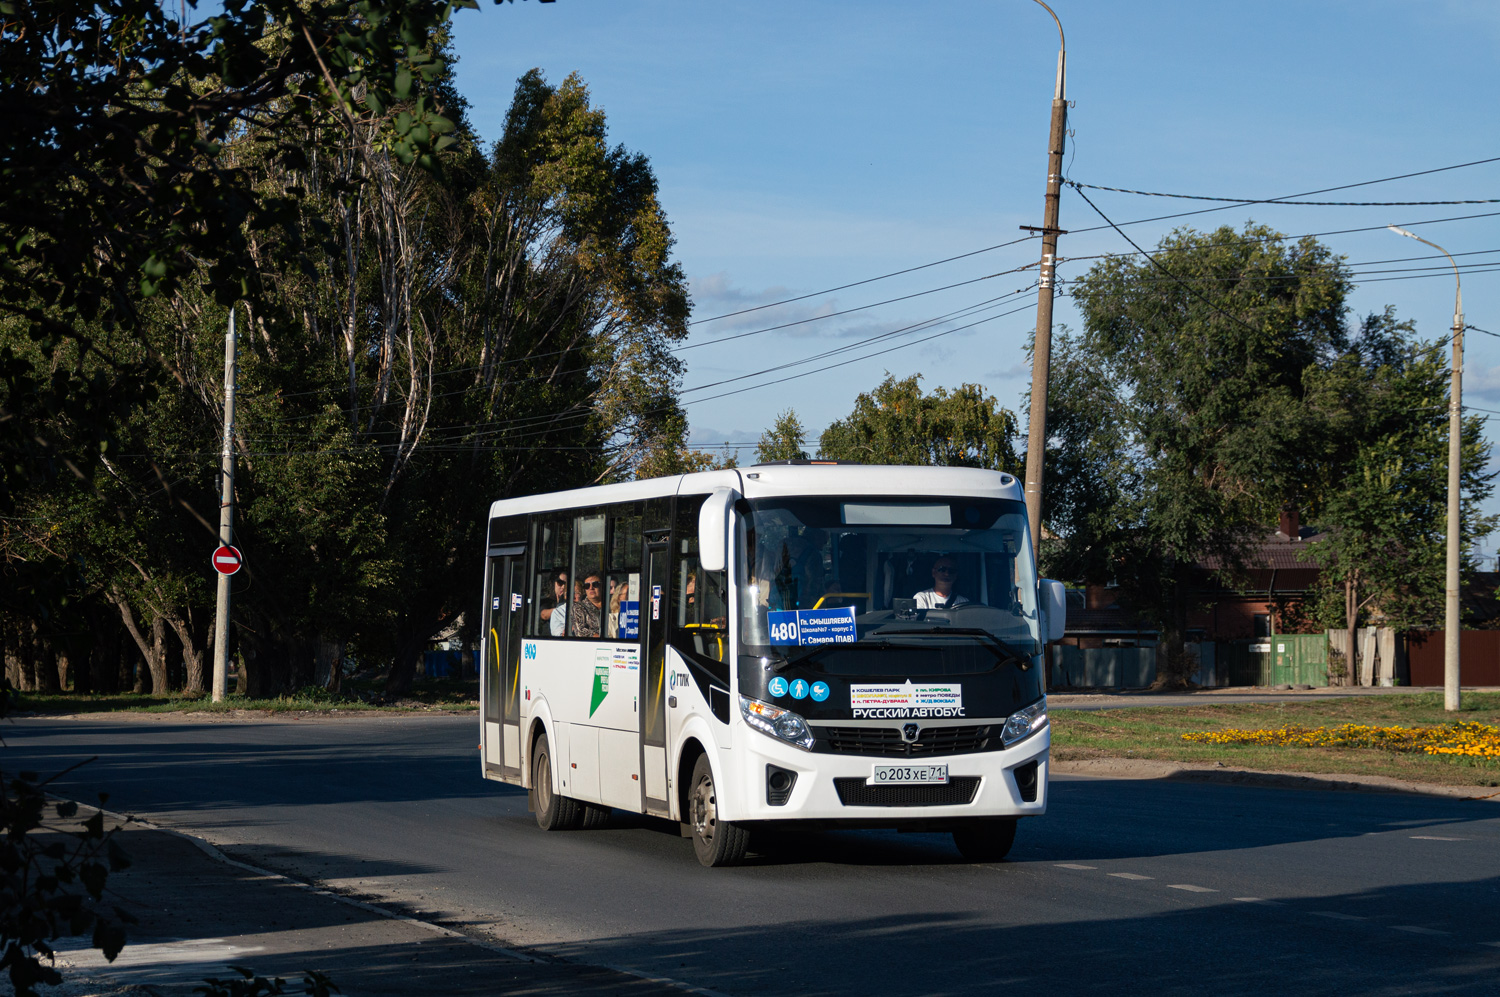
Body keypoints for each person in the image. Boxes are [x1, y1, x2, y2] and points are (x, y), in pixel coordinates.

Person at [569, 573, 604, 638]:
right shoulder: (578, 607)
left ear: (602, 586)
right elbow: (580, 632)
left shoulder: (611, 604)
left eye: (595, 584)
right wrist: (603, 639)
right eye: (587, 586)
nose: (591, 588)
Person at [544, 570, 569, 636]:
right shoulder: (547, 601)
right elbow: (543, 615)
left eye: (566, 584)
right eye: (560, 583)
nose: (563, 587)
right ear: (553, 583)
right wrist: (560, 607)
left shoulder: (570, 601)